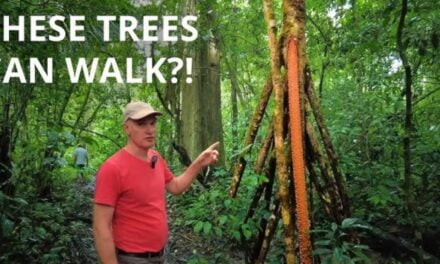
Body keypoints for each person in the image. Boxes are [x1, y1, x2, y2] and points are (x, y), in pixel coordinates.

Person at [93, 101, 219, 264]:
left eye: (152, 123)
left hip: (159, 255)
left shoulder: (156, 157)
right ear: (127, 128)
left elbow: (175, 187)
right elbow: (101, 227)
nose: (150, 130)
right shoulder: (112, 168)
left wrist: (199, 163)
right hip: (131, 258)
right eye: (141, 124)